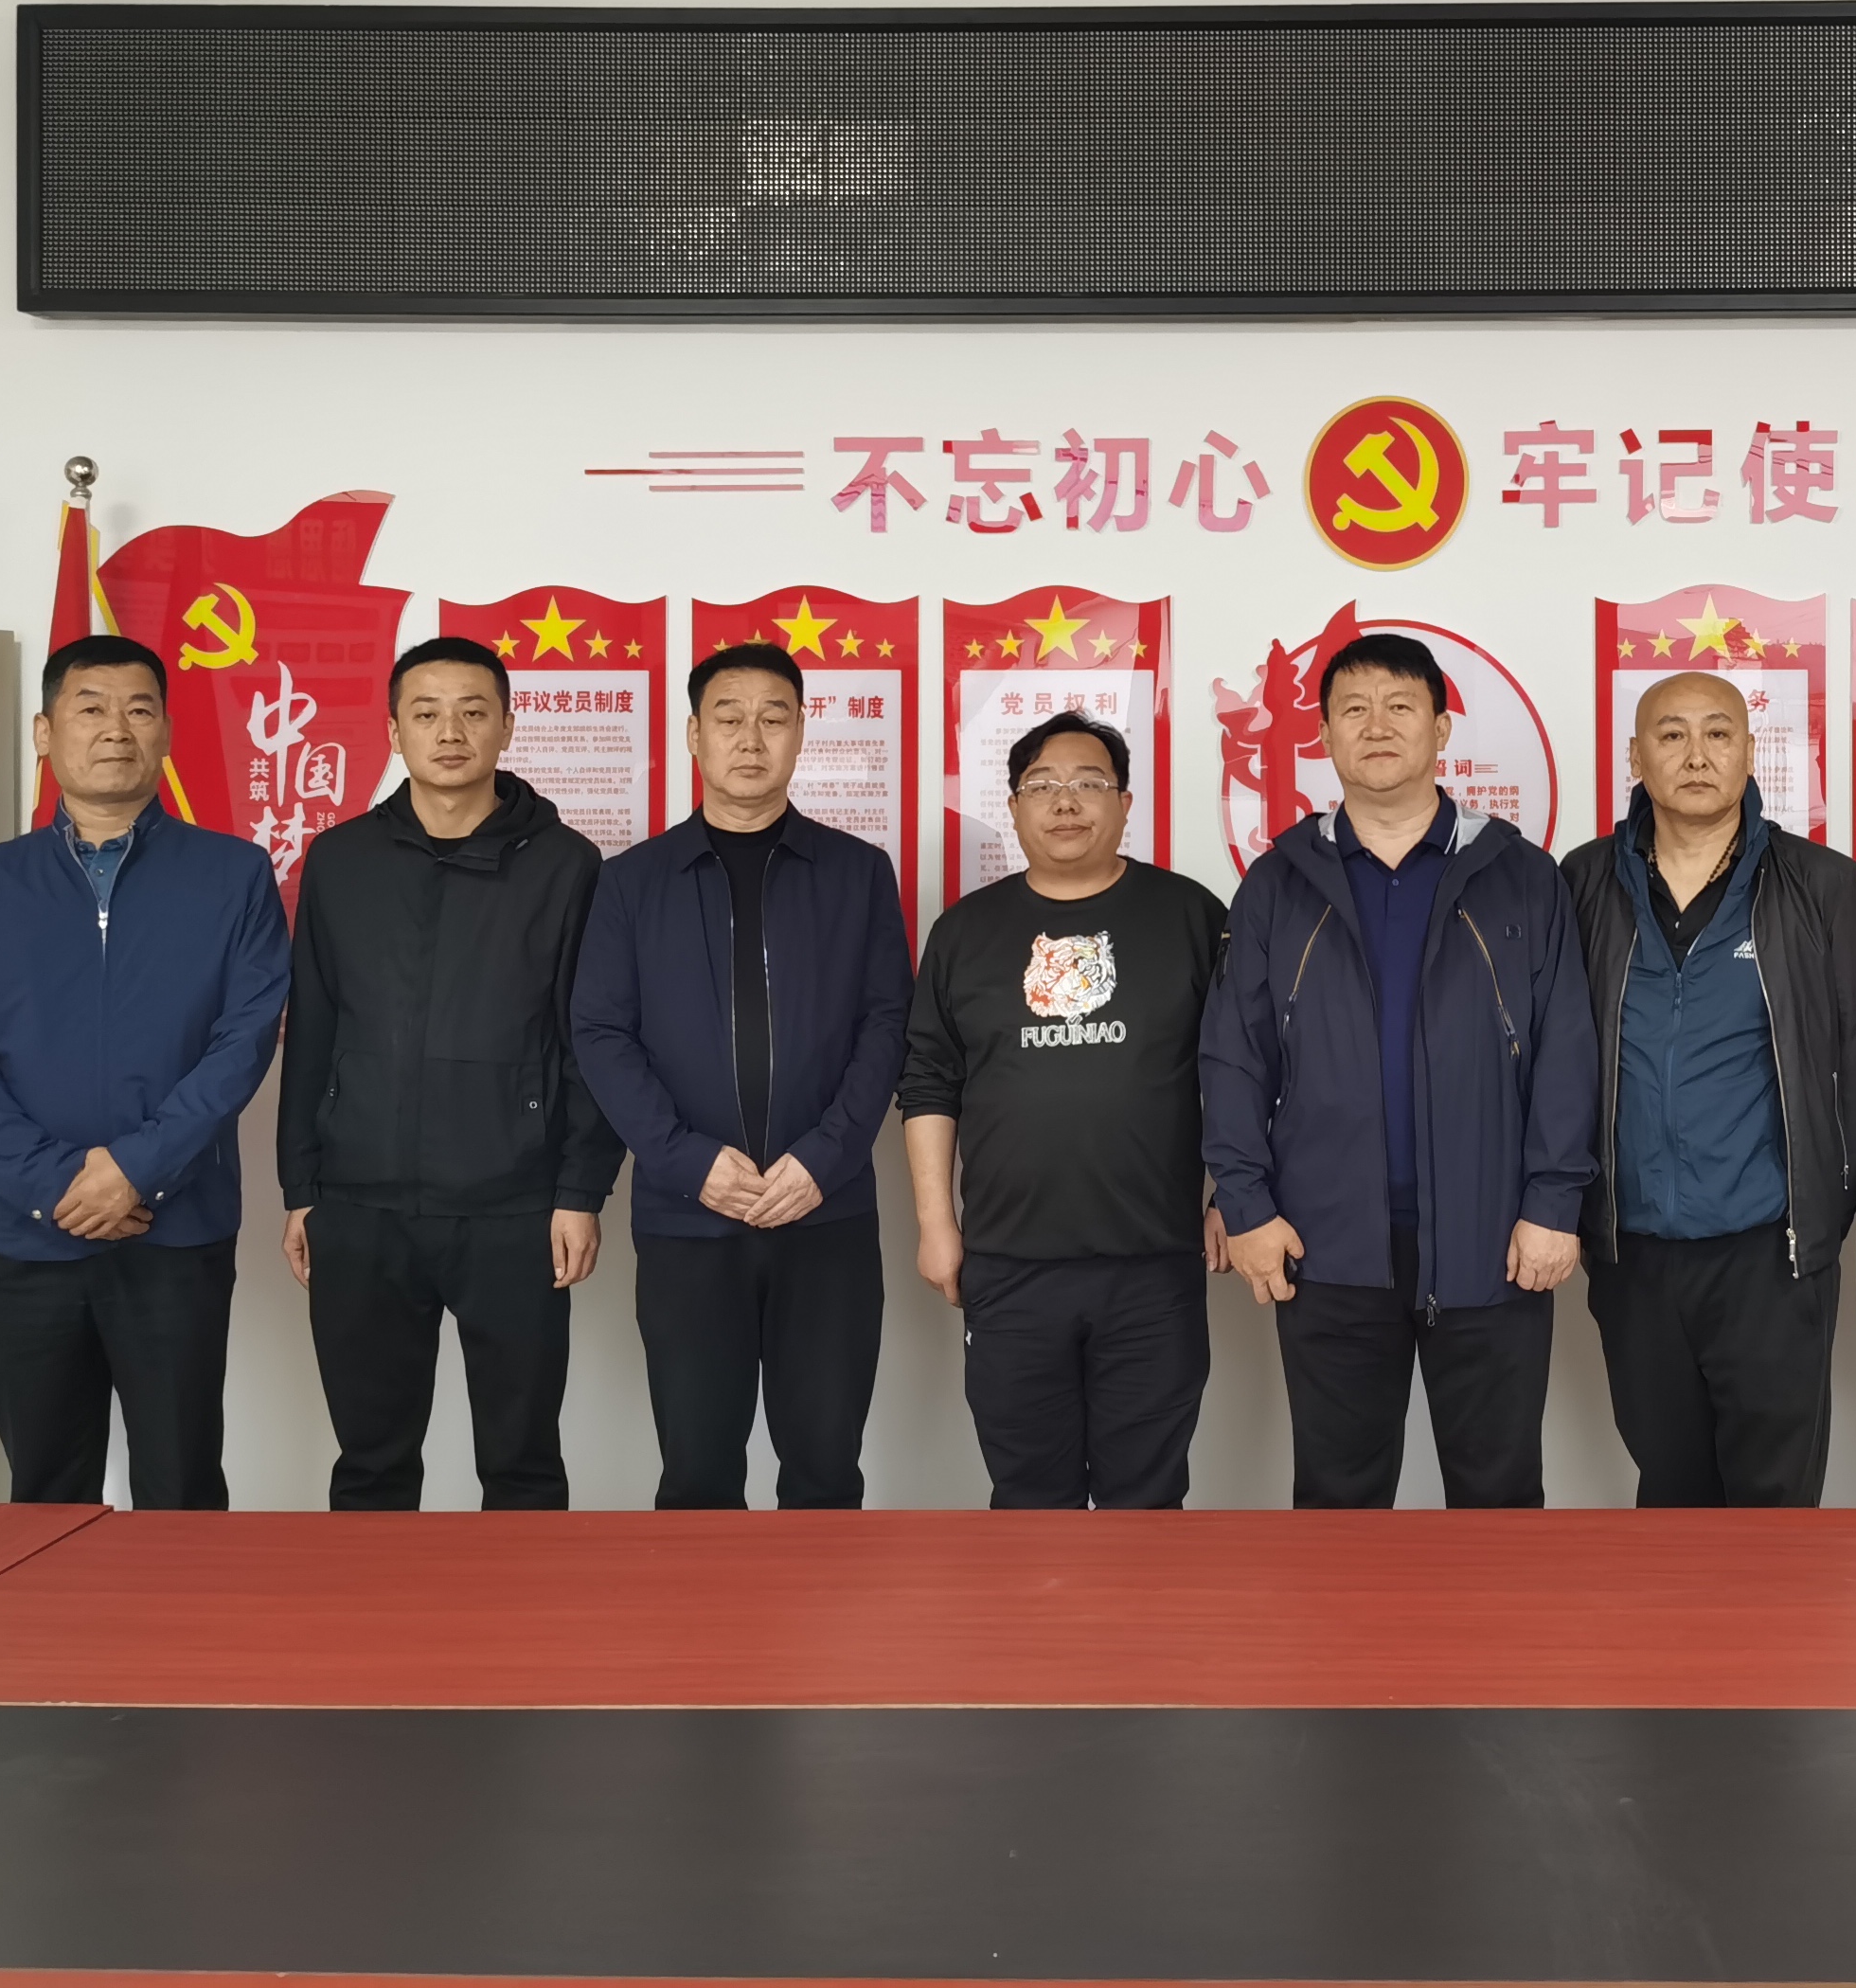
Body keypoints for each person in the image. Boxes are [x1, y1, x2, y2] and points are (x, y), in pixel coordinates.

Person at [1201, 633, 1600, 1509]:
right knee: (1338, 1503)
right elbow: (1233, 1056)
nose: (1376, 726)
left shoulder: (1520, 875)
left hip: (1494, 1240)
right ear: (1325, 736)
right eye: (1353, 709)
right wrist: (1247, 1204)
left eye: (1400, 706)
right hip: (1324, 1244)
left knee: (1499, 1499)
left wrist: (1552, 1204)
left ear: (1441, 728)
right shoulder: (1278, 883)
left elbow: (1566, 1050)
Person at [0, 635, 289, 1507]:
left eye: (139, 709)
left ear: (166, 734)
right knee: (45, 1491)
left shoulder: (232, 875)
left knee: (181, 1489)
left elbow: (245, 1038)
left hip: (176, 1233)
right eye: (90, 708)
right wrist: (54, 1183)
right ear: (45, 732)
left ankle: (181, 1611)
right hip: (26, 1235)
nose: (116, 728)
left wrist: (135, 1169)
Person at [276, 636, 617, 1511]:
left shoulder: (566, 864)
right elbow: (313, 1028)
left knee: (522, 1463)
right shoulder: (341, 860)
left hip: (515, 1207)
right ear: (394, 731)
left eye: (473, 712)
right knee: (371, 1464)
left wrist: (579, 1191)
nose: (450, 732)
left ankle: (521, 1606)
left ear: (507, 726)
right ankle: (374, 1606)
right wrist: (301, 1188)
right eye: (426, 714)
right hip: (361, 1206)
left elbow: (589, 1040)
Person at [571, 640, 909, 1509]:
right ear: (693, 735)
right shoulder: (632, 882)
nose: (750, 739)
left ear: (801, 733)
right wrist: (688, 1162)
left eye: (773, 718)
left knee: (825, 1469)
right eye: (728, 718)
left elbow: (886, 1026)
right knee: (697, 1474)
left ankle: (822, 1609)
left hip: (826, 1216)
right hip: (689, 1221)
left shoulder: (858, 874)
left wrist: (823, 1160)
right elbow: (602, 1034)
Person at [1558, 671, 1856, 1506]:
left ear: (1748, 752)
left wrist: (1826, 1212)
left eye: (1718, 733)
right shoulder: (1584, 881)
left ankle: (1778, 1608)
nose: (1696, 754)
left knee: (1775, 1498)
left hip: (1769, 1251)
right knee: (1670, 1489)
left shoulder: (1820, 883)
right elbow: (1554, 1055)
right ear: (1635, 757)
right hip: (1632, 1251)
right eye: (1671, 735)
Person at [901, 710, 1229, 1509]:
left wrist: (1233, 1193)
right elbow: (929, 1083)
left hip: (1153, 1262)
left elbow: (1242, 1069)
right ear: (1014, 807)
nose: (1066, 802)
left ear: (1125, 802)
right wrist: (938, 1227)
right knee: (1028, 1497)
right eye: (1042, 785)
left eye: (1089, 783)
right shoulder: (965, 932)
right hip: (1009, 1264)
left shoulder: (1191, 916)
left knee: (1145, 1500)